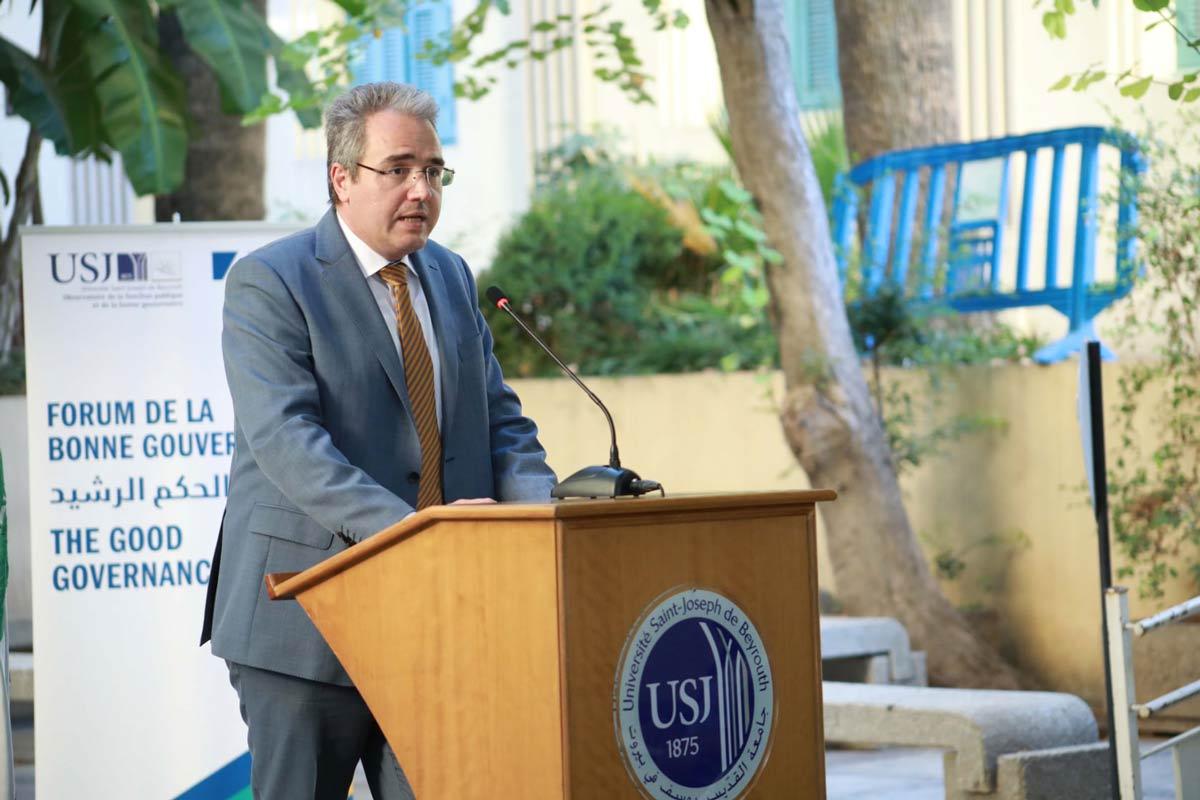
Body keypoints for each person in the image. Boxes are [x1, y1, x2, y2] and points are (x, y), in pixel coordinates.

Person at [200, 81, 556, 799]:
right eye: (397, 169)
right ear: (342, 178)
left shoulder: (450, 275)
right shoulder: (272, 281)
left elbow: (501, 422)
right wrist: (419, 535)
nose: (421, 189)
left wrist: (538, 523)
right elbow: (288, 441)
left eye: (433, 170)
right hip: (306, 619)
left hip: (437, 620)